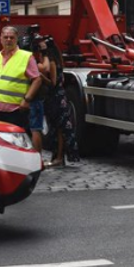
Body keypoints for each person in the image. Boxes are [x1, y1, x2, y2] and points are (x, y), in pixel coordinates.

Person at [0, 26, 41, 129]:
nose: (8, 40)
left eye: (11, 37)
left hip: (16, 110)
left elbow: (37, 79)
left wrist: (27, 100)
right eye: (6, 37)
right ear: (1, 39)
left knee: (16, 142)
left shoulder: (26, 56)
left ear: (16, 39)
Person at [40, 37, 81, 168]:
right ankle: (59, 157)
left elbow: (52, 83)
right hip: (60, 96)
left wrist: (40, 76)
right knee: (60, 128)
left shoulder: (51, 62)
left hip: (55, 98)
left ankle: (58, 158)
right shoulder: (58, 61)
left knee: (57, 128)